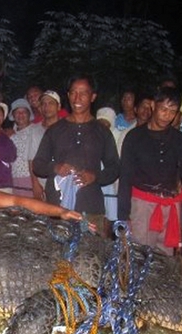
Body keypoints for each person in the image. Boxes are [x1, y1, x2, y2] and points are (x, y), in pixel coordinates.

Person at [117, 86, 182, 255]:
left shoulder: (178, 139)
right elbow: (125, 177)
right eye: (163, 109)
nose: (167, 115)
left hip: (170, 206)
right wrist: (123, 215)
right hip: (142, 206)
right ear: (153, 106)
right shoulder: (134, 137)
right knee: (139, 256)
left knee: (165, 259)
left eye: (172, 111)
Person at [33, 75, 120, 237]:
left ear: (93, 97)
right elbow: (38, 164)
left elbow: (114, 168)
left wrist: (95, 176)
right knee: (57, 259)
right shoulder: (55, 130)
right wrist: (55, 167)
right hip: (57, 208)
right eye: (73, 92)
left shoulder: (102, 132)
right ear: (68, 95)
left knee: (89, 258)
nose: (77, 98)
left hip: (90, 207)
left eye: (83, 93)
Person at [8, 98, 45, 199]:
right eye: (17, 112)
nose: (20, 115)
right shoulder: (12, 137)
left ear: (29, 114)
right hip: (16, 181)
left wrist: (36, 183)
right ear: (13, 116)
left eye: (24, 112)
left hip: (33, 180)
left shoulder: (37, 130)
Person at [95, 107, 123, 223]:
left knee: (109, 213)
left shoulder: (116, 137)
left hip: (108, 181)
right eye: (100, 124)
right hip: (92, 182)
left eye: (106, 125)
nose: (103, 128)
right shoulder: (89, 135)